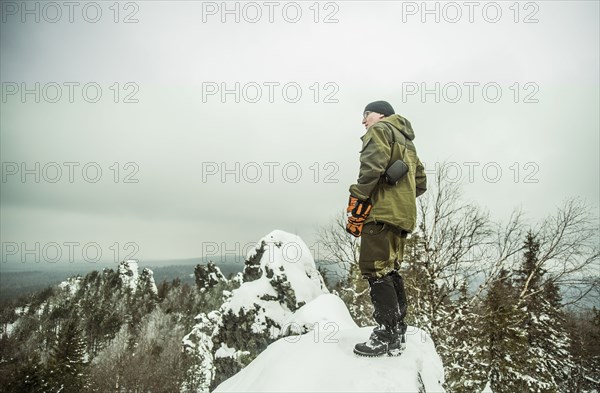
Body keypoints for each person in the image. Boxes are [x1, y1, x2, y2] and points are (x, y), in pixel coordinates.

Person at [346, 100, 427, 357]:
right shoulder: (408, 144)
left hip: (380, 214)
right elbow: (421, 183)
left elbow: (371, 167)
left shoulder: (380, 130)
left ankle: (385, 334)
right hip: (402, 216)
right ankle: (397, 332)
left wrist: (358, 197)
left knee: (375, 270)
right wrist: (399, 195)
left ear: (381, 114)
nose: (363, 121)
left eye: (366, 114)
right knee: (390, 270)